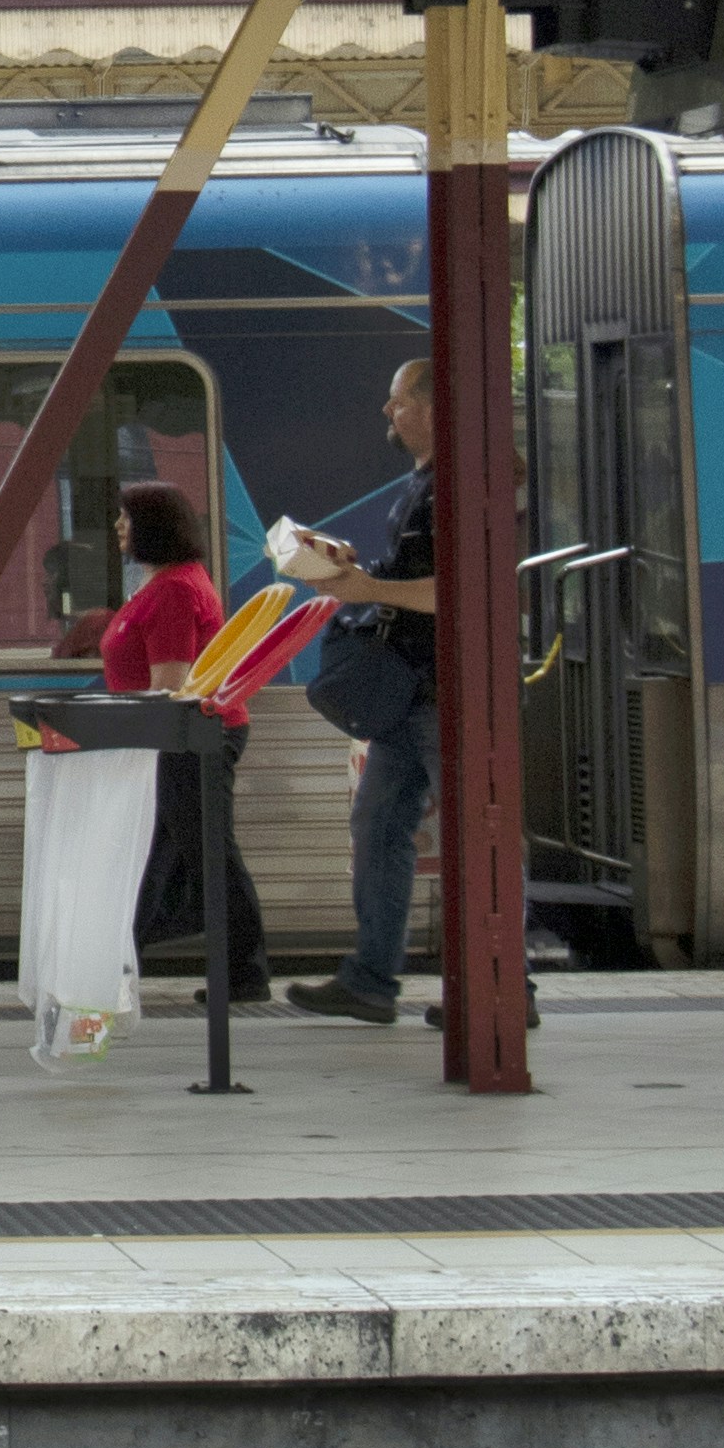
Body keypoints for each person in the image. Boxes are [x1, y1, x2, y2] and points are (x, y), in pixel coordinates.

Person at [284, 350, 446, 1029]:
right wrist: (349, 565)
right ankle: (372, 980)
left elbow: (455, 589)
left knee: (478, 831)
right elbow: (413, 571)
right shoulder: (424, 486)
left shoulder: (456, 487)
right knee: (377, 829)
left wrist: (370, 589)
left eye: (399, 397)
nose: (389, 410)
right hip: (407, 695)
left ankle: (507, 986)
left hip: (442, 692)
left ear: (435, 407)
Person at [103, 478, 270, 1003]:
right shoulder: (162, 583)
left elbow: (170, 685)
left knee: (208, 853)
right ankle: (124, 956)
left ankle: (244, 974)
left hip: (190, 736)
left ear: (152, 527)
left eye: (127, 518)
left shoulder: (175, 589)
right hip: (177, 738)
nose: (118, 527)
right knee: (165, 854)